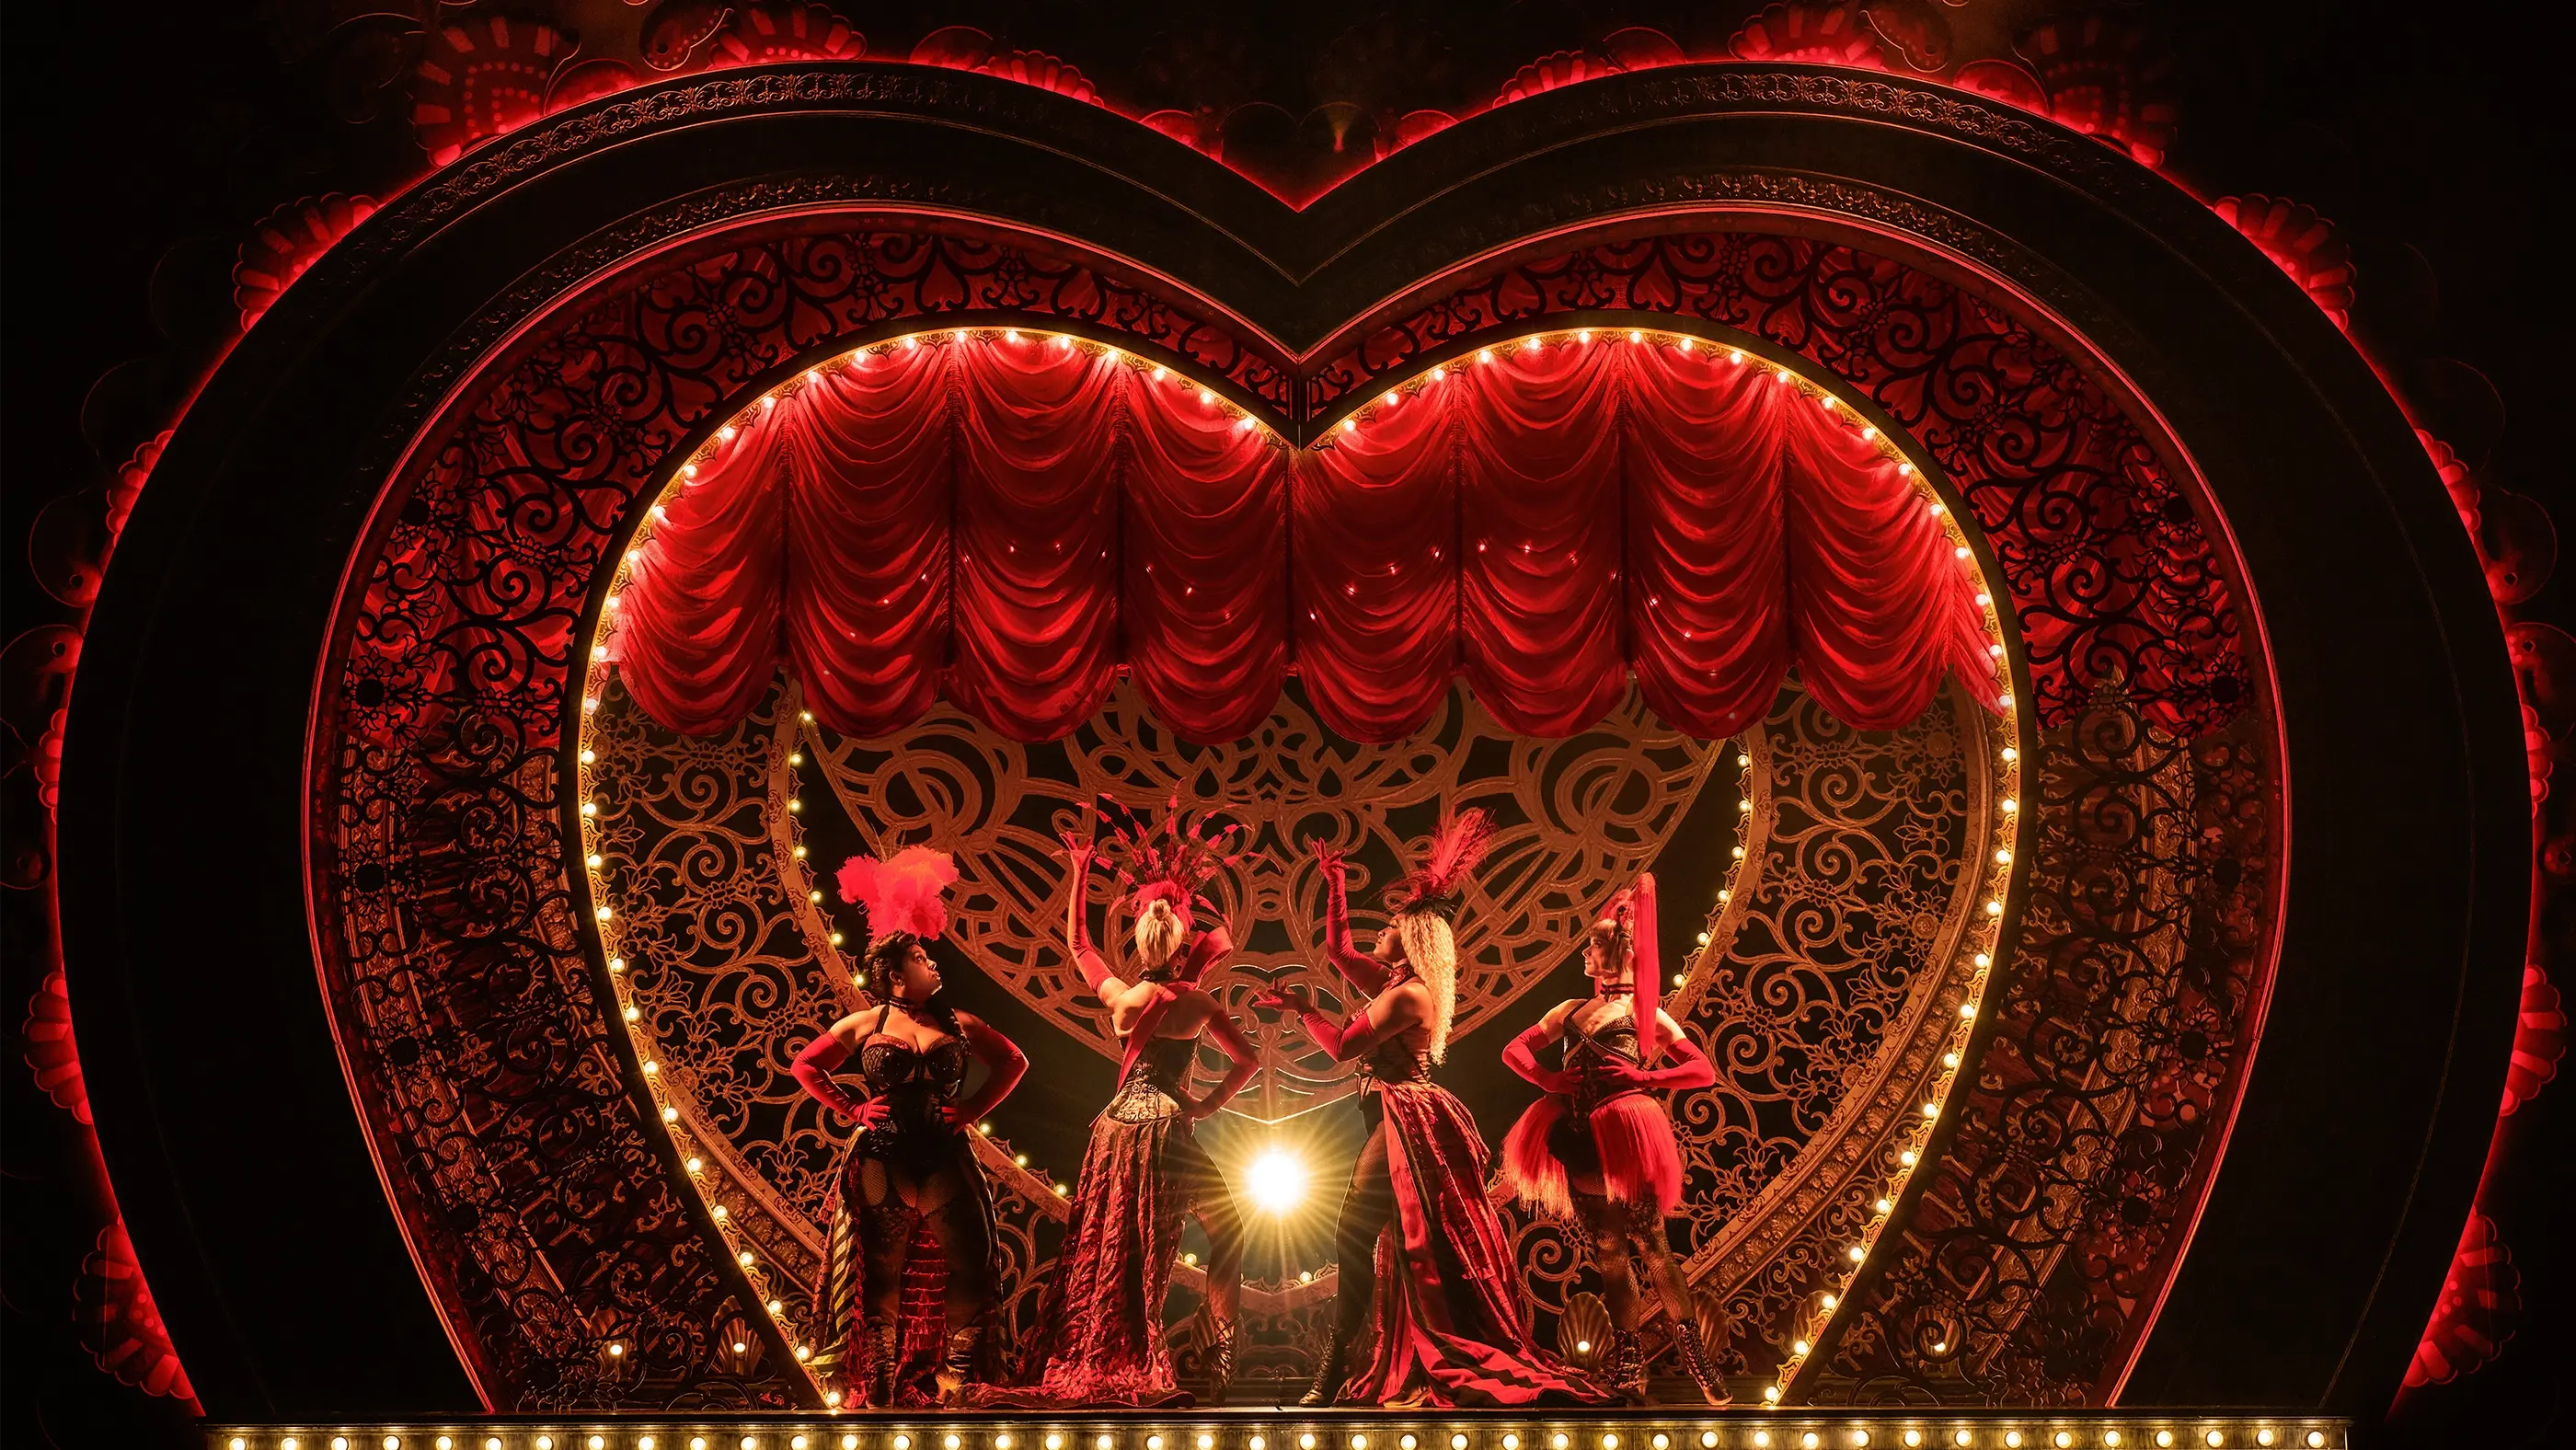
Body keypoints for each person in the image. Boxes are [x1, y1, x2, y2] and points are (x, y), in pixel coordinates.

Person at [1254, 811, 1605, 1408]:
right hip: (1391, 1114)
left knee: (1353, 1232)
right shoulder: (1397, 984)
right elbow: (1340, 950)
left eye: (1390, 927)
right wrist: (1335, 884)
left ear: (1412, 940)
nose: (1380, 932)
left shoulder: (1409, 996)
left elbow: (1342, 1047)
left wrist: (1303, 1011)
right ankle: (1353, 1363)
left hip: (1408, 1119)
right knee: (1390, 1239)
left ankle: (1331, 1370)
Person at [1010, 807, 1259, 1405]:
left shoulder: (1122, 998)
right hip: (1168, 1131)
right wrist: (1204, 1105)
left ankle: (1110, 1345)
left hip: (1116, 1130)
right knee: (1228, 1231)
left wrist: (1079, 871)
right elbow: (1248, 1062)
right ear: (1179, 946)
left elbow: (1078, 944)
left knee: (1116, 1244)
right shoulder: (1197, 1004)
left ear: (1142, 943)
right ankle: (1215, 1350)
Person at [791, 846, 1028, 1407]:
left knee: (970, 1262)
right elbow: (805, 1063)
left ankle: (957, 1379)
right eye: (923, 959)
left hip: (945, 1156)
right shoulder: (863, 1023)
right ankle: (876, 1386)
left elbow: (1014, 1061)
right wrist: (851, 1108)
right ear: (896, 976)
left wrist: (972, 1110)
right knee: (881, 1269)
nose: (935, 964)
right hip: (882, 1158)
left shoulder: (960, 1021)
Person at [1499, 873, 1730, 1404]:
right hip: (1578, 1134)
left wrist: (1649, 1078)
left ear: (1622, 950)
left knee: (1652, 1246)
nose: (1586, 950)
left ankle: (1692, 1354)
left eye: (1595, 942)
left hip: (1627, 1133)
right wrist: (1549, 1080)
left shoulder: (1645, 1015)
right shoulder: (1568, 1010)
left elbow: (1700, 1071)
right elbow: (1514, 1049)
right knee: (1608, 1251)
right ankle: (1628, 1360)